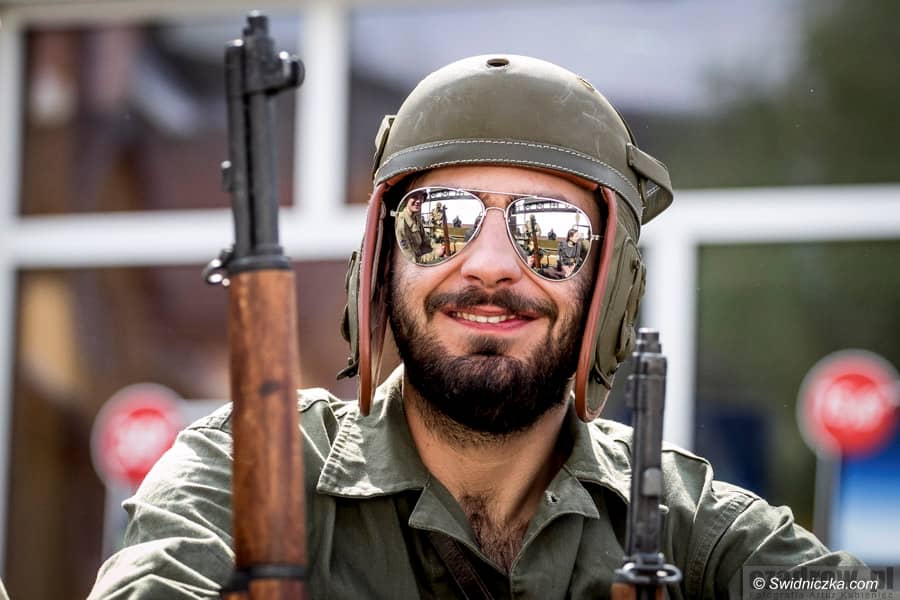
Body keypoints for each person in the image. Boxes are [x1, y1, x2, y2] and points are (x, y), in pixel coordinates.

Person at [89, 54, 859, 599]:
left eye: (550, 233)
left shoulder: (690, 525)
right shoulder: (252, 472)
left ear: (611, 286)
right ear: (382, 264)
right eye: (440, 222)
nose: (489, 266)